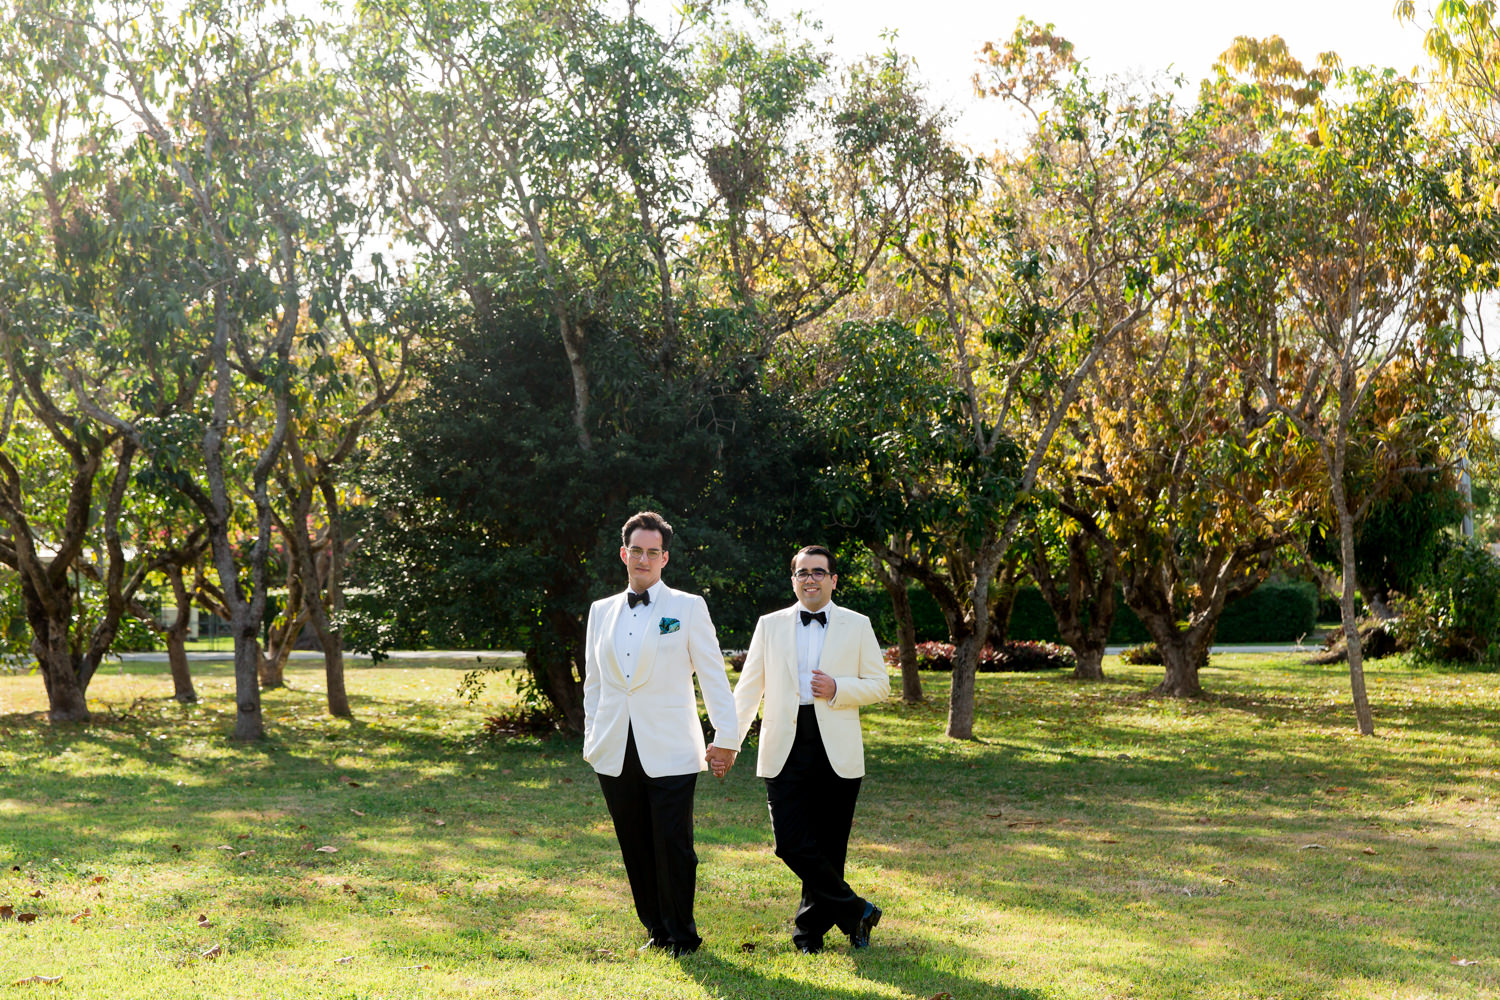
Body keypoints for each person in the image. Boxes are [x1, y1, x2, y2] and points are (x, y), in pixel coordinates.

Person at [582, 511, 741, 957]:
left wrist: (725, 737)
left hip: (671, 747)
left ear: (664, 558)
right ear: (624, 554)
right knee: (634, 843)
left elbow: (713, 677)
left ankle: (682, 935)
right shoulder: (600, 611)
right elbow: (594, 683)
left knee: (673, 846)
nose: (644, 559)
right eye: (637, 550)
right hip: (614, 747)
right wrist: (593, 738)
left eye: (653, 552)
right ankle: (655, 928)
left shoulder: (688, 608)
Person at [726, 544, 890, 954]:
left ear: (833, 580)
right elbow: (748, 690)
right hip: (784, 743)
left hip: (836, 744)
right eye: (803, 573)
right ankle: (857, 911)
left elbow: (880, 685)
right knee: (791, 842)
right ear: (793, 580)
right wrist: (727, 741)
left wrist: (839, 688)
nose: (810, 579)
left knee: (830, 846)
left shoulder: (857, 624)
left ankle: (809, 934)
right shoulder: (770, 625)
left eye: (819, 572)